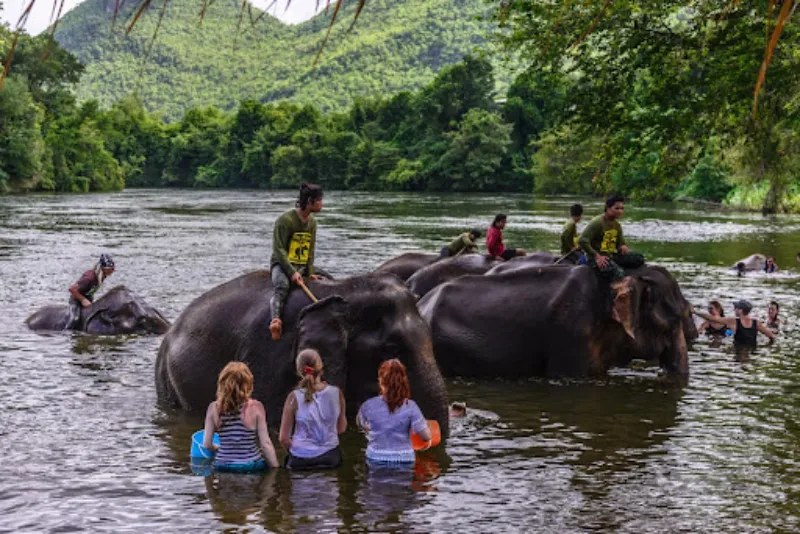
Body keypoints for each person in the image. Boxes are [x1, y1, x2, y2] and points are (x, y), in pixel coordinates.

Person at [269, 183, 325, 340]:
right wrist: (291, 272)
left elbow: (310, 249)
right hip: (282, 264)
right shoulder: (285, 221)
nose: (322, 204)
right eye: (319, 200)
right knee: (282, 286)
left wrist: (310, 272)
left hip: (300, 265)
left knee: (324, 276)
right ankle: (275, 320)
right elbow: (278, 249)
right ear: (309, 202)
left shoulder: (312, 222)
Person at [203, 362, 280, 472]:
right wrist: (276, 468)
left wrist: (218, 448)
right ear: (248, 384)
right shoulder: (257, 407)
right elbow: (265, 444)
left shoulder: (213, 408)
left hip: (222, 466)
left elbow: (206, 444)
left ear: (222, 383)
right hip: (251, 466)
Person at [279, 349, 347, 470]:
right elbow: (341, 429)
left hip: (299, 460)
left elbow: (283, 439)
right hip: (330, 458)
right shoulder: (337, 393)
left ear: (299, 370)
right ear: (320, 367)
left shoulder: (293, 397)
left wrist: (298, 451)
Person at [356, 359, 431, 464]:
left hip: (375, 458)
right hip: (404, 459)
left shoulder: (368, 405)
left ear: (381, 380)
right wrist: (427, 427)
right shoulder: (411, 406)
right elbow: (426, 437)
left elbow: (361, 424)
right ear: (403, 381)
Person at [578, 194, 644, 282]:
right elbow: (582, 240)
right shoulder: (597, 222)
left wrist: (623, 247)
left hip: (611, 256)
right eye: (617, 208)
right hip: (597, 258)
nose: (620, 211)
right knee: (619, 273)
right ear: (607, 208)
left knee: (639, 258)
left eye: (622, 208)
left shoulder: (617, 225)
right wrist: (597, 256)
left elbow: (620, 243)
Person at [693, 300, 776, 346]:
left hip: (737, 351)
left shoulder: (734, 321)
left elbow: (713, 319)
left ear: (740, 310)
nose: (734, 309)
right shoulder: (756, 323)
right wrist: (766, 347)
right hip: (752, 352)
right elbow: (772, 336)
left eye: (736, 308)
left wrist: (695, 312)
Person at [66, 253, 115, 330]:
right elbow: (72, 289)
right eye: (110, 269)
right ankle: (65, 334)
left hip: (89, 301)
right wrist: (83, 300)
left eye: (113, 268)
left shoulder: (102, 276)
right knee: (74, 319)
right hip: (77, 300)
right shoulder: (89, 277)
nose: (113, 271)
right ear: (103, 269)